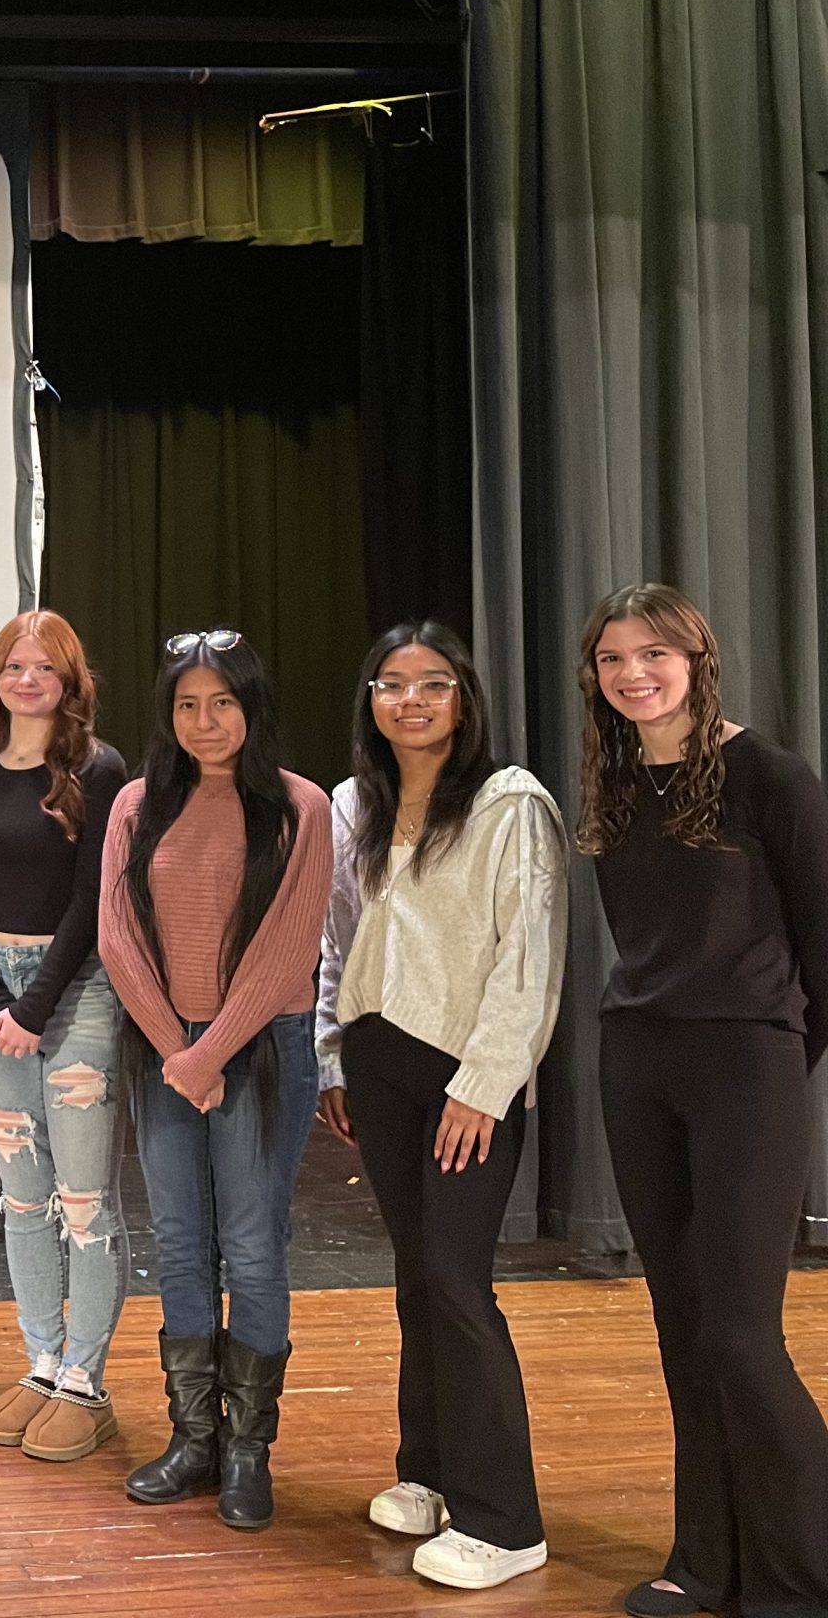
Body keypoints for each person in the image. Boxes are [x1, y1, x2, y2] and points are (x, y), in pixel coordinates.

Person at [576, 584, 828, 1618]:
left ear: (695, 658)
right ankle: (705, 1562)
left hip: (744, 1072)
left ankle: (799, 1574)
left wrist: (769, 1061)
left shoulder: (769, 776)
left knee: (740, 1335)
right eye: (610, 660)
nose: (633, 674)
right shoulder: (615, 781)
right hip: (637, 1066)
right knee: (682, 1328)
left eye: (653, 655)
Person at [315, 621, 565, 1591]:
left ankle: (505, 1520)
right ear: (369, 701)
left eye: (431, 684)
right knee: (417, 1277)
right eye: (390, 684)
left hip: (469, 1075)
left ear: (463, 698)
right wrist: (331, 1055)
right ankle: (426, 1469)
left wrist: (486, 1084)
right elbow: (339, 940)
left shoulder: (511, 804)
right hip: (376, 1062)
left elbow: (529, 953)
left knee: (459, 1282)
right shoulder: (352, 804)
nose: (409, 701)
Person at [99, 629, 330, 1531]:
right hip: (167, 1053)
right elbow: (118, 938)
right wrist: (174, 1048)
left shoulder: (300, 808)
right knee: (183, 1246)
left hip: (262, 1049)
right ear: (168, 713)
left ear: (251, 707)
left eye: (222, 703)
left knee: (254, 1244)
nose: (205, 721)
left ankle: (247, 1451)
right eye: (188, 705)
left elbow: (284, 953)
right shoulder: (132, 806)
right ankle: (193, 1440)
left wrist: (205, 1055)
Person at [0, 608, 129, 1458]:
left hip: (75, 990)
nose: (27, 681)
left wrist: (36, 1006)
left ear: (68, 681)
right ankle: (41, 1362)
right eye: (14, 666)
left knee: (83, 1199)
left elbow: (95, 900)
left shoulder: (96, 767)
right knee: (21, 1196)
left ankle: (86, 1377)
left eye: (43, 669)